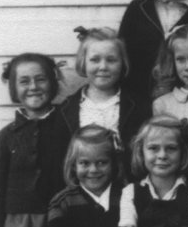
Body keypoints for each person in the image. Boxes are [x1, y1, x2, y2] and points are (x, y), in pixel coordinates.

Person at [0, 54, 68, 227]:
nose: (34, 87)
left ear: (53, 82)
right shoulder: (7, 136)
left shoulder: (68, 125)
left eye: (41, 79)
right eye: (24, 81)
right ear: (14, 88)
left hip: (58, 224)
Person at [56, 27, 147, 171]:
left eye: (111, 60)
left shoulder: (138, 106)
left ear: (122, 63)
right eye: (95, 60)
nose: (103, 67)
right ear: (83, 62)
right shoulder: (66, 109)